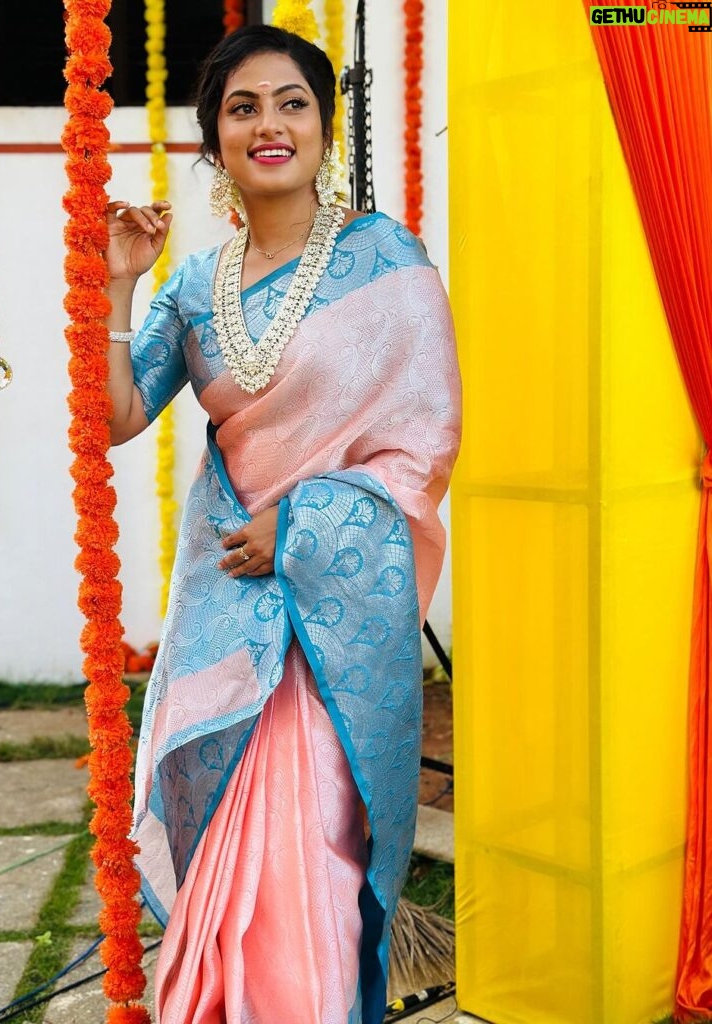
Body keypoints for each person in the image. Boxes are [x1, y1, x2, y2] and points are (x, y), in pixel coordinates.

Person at [104, 24, 462, 1024]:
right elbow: (117, 420)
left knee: (309, 840)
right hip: (230, 605)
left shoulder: (382, 259)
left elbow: (424, 444)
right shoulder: (194, 285)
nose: (270, 125)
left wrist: (300, 523)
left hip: (334, 616)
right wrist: (121, 283)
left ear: (323, 125)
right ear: (215, 139)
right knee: (228, 842)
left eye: (292, 103)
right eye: (243, 107)